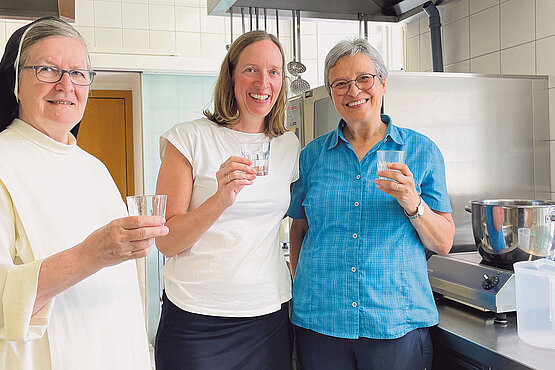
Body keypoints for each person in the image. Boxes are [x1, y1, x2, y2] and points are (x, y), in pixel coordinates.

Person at [0, 17, 169, 369]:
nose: (66, 85)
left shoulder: (95, 168)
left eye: (78, 73)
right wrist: (93, 254)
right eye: (47, 69)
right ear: (15, 83)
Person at [287, 38, 456, 370]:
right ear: (332, 93)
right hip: (321, 324)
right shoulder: (311, 157)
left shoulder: (422, 151)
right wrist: (304, 288)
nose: (354, 91)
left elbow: (444, 241)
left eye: (363, 78)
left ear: (381, 84)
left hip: (395, 324)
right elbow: (299, 229)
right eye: (340, 83)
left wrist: (412, 202)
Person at [154, 30, 300, 369]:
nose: (263, 82)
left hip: (269, 314)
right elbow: (167, 242)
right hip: (196, 317)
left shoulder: (288, 146)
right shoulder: (188, 139)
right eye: (251, 69)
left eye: (274, 72)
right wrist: (221, 198)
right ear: (231, 75)